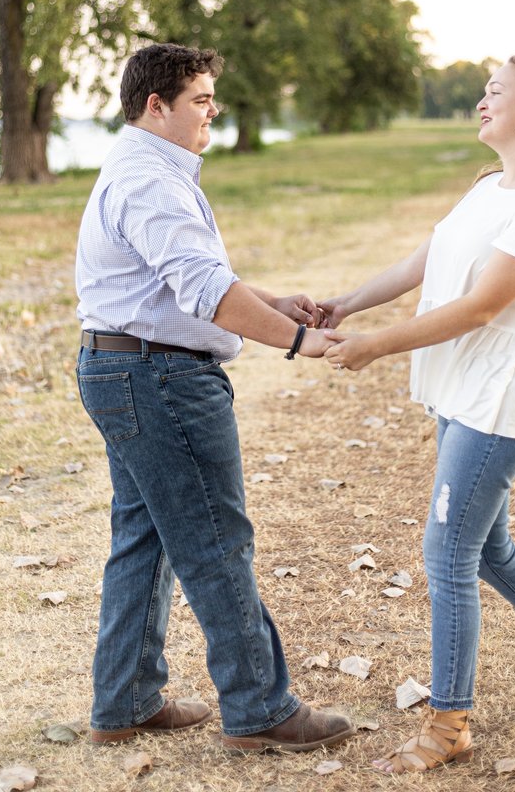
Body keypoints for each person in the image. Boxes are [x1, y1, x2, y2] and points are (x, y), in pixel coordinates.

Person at [319, 55, 515, 775]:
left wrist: (376, 348)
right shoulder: (489, 187)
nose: (481, 101)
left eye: (496, 92)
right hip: (469, 386)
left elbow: (483, 305)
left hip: (508, 392)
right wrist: (345, 305)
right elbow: (422, 264)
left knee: (447, 553)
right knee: (487, 550)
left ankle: (449, 722)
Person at [75, 42, 353, 755]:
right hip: (159, 380)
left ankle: (125, 701)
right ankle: (260, 708)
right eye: (200, 100)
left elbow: (179, 278)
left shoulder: (144, 169)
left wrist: (272, 301)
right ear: (155, 105)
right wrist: (295, 340)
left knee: (146, 539)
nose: (212, 112)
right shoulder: (151, 181)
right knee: (214, 542)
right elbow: (202, 292)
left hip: (128, 370)